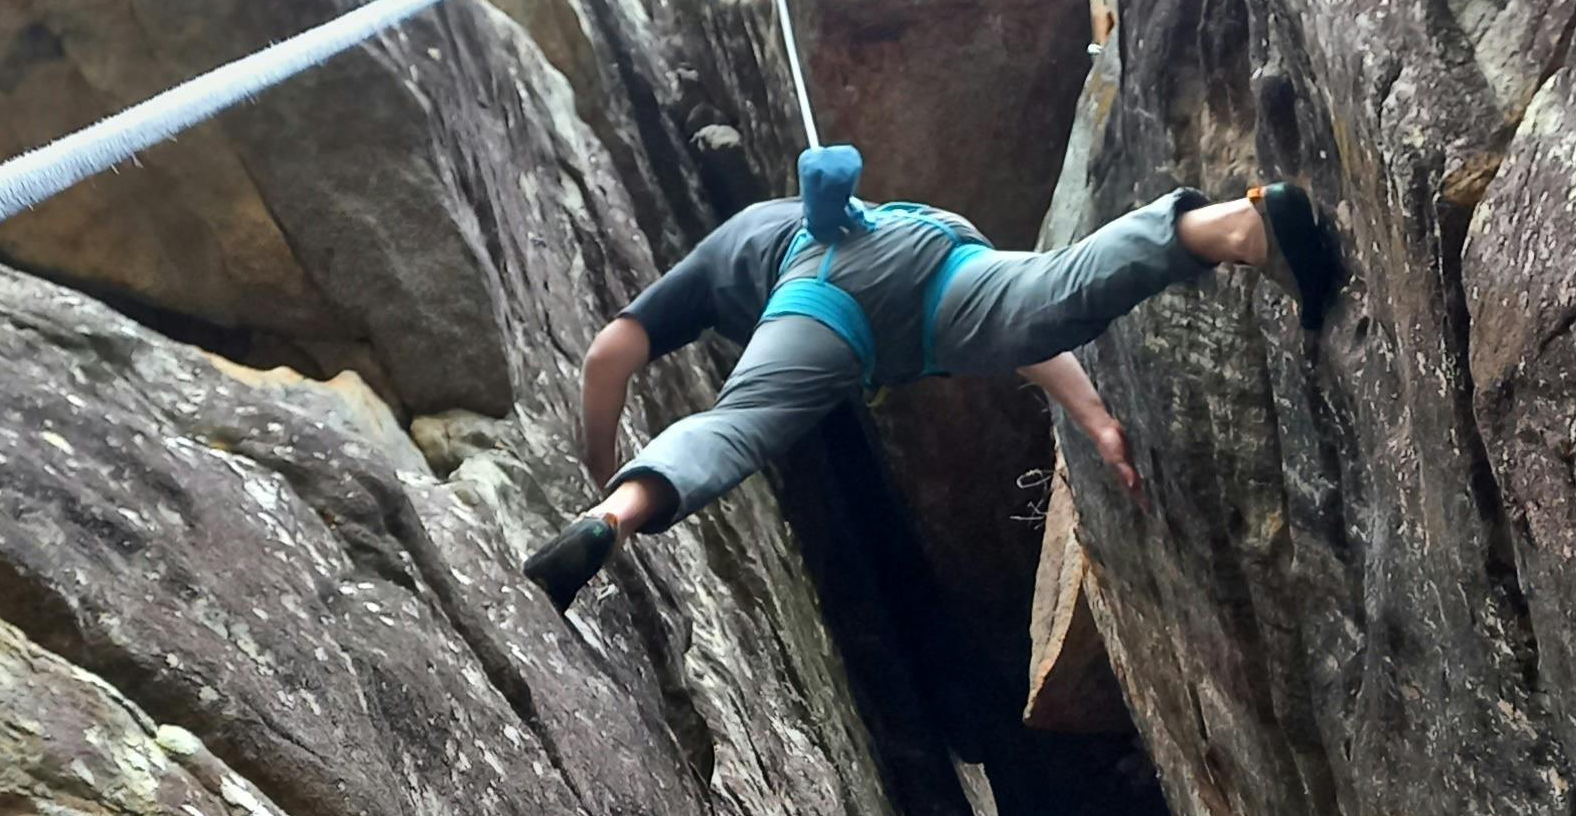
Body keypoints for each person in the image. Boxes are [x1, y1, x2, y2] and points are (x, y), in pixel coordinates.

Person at [521, 144, 1342, 613]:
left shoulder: (715, 260)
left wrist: (601, 467)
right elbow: (1026, 333)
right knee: (1050, 290)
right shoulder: (781, 215)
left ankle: (612, 518)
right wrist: (1094, 419)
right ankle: (1230, 225)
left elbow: (608, 356)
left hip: (823, 293)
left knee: (741, 425)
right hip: (920, 243)